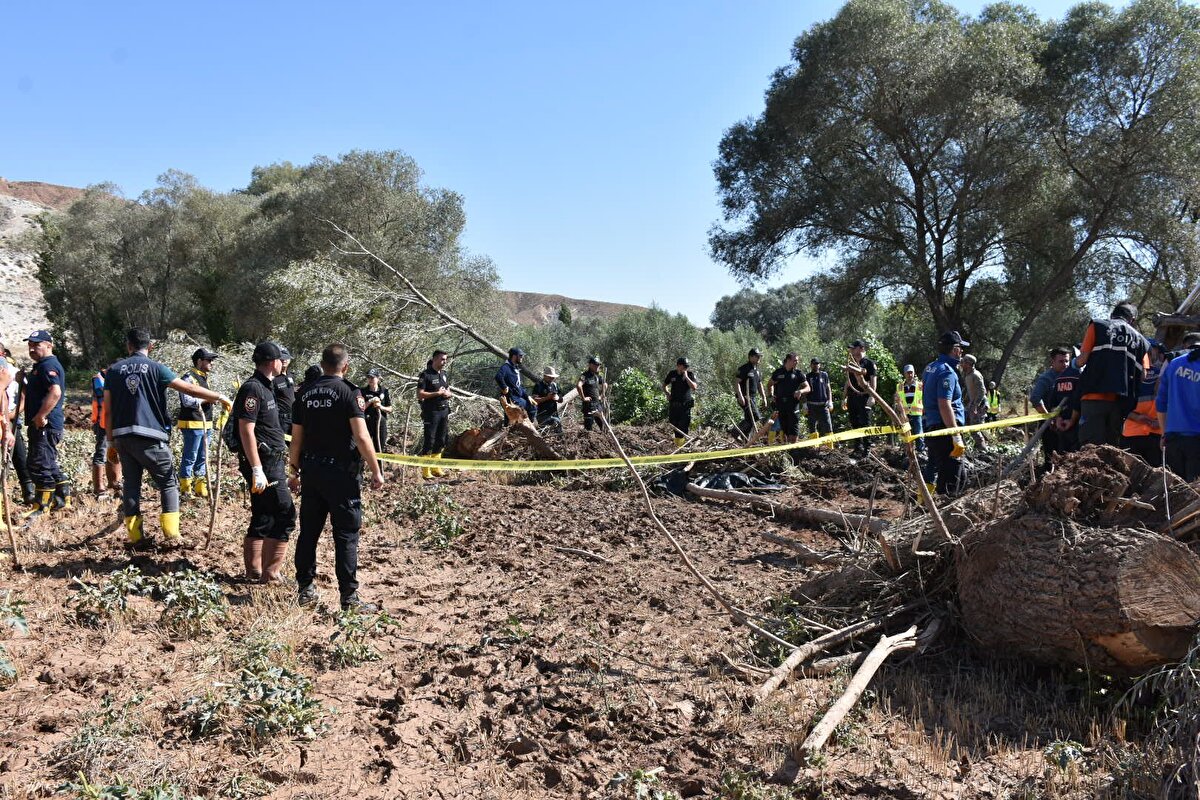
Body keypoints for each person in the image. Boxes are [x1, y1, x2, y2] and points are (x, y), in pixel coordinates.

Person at [106, 328, 231, 547]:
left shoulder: (114, 371)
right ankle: (172, 535)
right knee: (167, 482)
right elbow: (190, 389)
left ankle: (136, 538)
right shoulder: (156, 368)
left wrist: (110, 442)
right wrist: (219, 397)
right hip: (151, 436)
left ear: (128, 346)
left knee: (131, 485)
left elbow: (107, 410)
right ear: (150, 347)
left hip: (123, 437)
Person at [289, 343, 385, 611]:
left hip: (312, 473)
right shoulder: (349, 393)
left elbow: (296, 440)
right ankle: (349, 599)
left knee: (309, 533)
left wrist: (293, 472)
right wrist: (376, 470)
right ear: (346, 366)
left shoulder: (305, 393)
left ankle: (305, 591)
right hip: (342, 476)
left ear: (322, 364)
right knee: (346, 536)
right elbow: (362, 436)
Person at [233, 342, 296, 582]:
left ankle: (255, 572)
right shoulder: (253, 388)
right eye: (281, 359)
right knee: (285, 512)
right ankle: (271, 573)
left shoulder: (267, 387)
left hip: (273, 462)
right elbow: (246, 430)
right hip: (265, 464)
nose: (284, 363)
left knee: (263, 514)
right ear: (272, 362)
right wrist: (258, 469)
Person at [1075, 302, 1150, 447]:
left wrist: (1074, 363)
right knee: (1112, 448)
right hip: (1119, 402)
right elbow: (1144, 376)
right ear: (1132, 319)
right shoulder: (1142, 341)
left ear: (1112, 314)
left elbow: (1082, 360)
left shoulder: (1098, 326)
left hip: (1093, 396)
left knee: (1090, 447)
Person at [22, 330, 69, 519]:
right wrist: (23, 383)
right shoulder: (40, 366)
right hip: (42, 423)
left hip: (45, 424)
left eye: (37, 345)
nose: (32, 349)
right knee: (47, 461)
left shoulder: (48, 365)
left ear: (49, 345)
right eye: (30, 345)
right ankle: (63, 497)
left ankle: (42, 505)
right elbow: (39, 392)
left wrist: (41, 415)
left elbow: (55, 392)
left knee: (38, 464)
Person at [921, 331, 969, 496]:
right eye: (960, 348)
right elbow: (944, 404)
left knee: (939, 469)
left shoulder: (930, 367)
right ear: (955, 349)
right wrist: (955, 434)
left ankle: (933, 505)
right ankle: (949, 514)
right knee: (954, 477)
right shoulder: (947, 371)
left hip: (932, 426)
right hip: (945, 429)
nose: (962, 352)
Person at [1030, 346, 1082, 472]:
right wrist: (1050, 418)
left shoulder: (1074, 375)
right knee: (1051, 455)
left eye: (1067, 361)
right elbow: (1035, 398)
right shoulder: (1046, 378)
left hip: (1069, 422)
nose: (1065, 364)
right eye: (1061, 361)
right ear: (1052, 362)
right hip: (1050, 424)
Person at [176, 348, 219, 499]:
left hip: (206, 424)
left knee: (202, 457)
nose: (211, 363)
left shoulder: (205, 378)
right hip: (192, 424)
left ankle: (200, 488)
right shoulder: (188, 378)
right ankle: (185, 490)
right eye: (209, 360)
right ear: (199, 361)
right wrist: (208, 398)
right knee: (190, 457)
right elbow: (187, 401)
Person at [1156, 332, 1200, 481]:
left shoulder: (1175, 363)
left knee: (1177, 491)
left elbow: (1161, 403)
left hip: (1173, 439)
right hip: (1197, 440)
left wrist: (1164, 433)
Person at [1122, 341, 1166, 467]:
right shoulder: (1164, 375)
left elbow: (1122, 404)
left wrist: (1136, 417)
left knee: (1130, 474)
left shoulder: (1130, 375)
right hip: (1152, 431)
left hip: (1136, 432)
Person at [4, 349, 35, 505]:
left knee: (19, 455)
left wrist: (12, 414)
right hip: (5, 417)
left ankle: (28, 491)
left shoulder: (13, 372)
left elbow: (24, 395)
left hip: (11, 419)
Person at [416, 350, 452, 479]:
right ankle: (426, 470)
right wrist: (437, 394)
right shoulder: (425, 375)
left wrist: (448, 394)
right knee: (429, 440)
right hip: (431, 412)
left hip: (444, 410)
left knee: (441, 439)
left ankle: (436, 467)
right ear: (435, 359)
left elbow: (448, 389)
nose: (444, 362)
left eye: (445, 359)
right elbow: (420, 394)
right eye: (442, 359)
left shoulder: (444, 374)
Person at [768, 353, 810, 460]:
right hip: (781, 406)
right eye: (795, 360)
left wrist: (800, 391)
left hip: (793, 406)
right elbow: (769, 384)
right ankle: (786, 456)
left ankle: (794, 454)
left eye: (797, 360)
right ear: (788, 360)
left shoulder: (798, 374)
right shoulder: (778, 372)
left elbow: (808, 388)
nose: (797, 362)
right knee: (785, 431)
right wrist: (771, 395)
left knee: (794, 431)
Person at [843, 339, 877, 457]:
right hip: (852, 397)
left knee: (865, 422)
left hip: (864, 396)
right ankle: (858, 447)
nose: (851, 350)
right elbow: (848, 382)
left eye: (854, 348)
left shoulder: (869, 363)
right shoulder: (851, 363)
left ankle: (867, 448)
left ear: (861, 348)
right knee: (854, 422)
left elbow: (873, 380)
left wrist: (872, 397)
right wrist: (844, 397)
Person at [90, 367, 120, 499]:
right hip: (102, 423)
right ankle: (99, 488)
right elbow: (103, 393)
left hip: (116, 422)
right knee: (101, 453)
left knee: (115, 452)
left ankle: (115, 482)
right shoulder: (98, 379)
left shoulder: (113, 377)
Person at [663, 358, 699, 446]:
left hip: (685, 406)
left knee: (683, 426)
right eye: (684, 366)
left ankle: (682, 446)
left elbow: (694, 387)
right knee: (674, 424)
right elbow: (664, 385)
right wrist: (667, 393)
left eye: (686, 367)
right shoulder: (672, 374)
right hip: (674, 405)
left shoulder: (690, 374)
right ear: (678, 366)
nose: (685, 368)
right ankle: (677, 445)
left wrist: (686, 377)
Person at [734, 348, 767, 437]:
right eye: (757, 356)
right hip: (745, 397)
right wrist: (740, 396)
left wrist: (764, 398)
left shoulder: (757, 370)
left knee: (749, 418)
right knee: (756, 416)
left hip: (753, 398)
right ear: (750, 357)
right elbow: (737, 382)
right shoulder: (744, 368)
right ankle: (735, 431)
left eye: (760, 356)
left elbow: (760, 384)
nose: (759, 358)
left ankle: (745, 437)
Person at [496, 347, 534, 422]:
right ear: (514, 356)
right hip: (511, 399)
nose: (522, 357)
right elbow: (498, 377)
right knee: (531, 408)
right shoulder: (506, 367)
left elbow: (518, 386)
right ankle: (530, 428)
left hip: (516, 397)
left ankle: (530, 427)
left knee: (532, 406)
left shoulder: (515, 368)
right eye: (520, 356)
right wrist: (504, 387)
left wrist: (527, 396)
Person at [894, 365, 925, 453]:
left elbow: (924, 398)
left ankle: (920, 451)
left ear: (914, 373)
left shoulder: (920, 385)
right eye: (908, 373)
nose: (910, 374)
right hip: (905, 415)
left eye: (911, 372)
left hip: (917, 414)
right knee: (906, 435)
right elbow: (898, 400)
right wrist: (901, 414)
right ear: (904, 374)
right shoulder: (899, 386)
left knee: (919, 434)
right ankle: (908, 452)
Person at [960, 354, 988, 450]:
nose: (962, 364)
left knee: (974, 428)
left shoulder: (975, 375)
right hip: (971, 404)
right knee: (964, 424)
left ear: (969, 364)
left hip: (979, 404)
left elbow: (982, 391)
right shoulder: (967, 374)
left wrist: (975, 405)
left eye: (963, 362)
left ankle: (982, 448)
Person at [361, 368, 392, 453]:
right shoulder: (362, 391)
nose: (370, 379)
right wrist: (370, 401)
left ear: (378, 378)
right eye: (368, 377)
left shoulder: (384, 391)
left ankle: (378, 465)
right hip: (367, 422)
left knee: (379, 448)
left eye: (372, 377)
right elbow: (360, 408)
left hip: (380, 423)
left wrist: (381, 407)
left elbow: (390, 409)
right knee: (363, 447)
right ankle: (361, 466)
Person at [273, 345, 297, 443]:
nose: (284, 360)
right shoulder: (273, 378)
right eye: (282, 358)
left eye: (286, 358)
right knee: (281, 443)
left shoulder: (291, 376)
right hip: (281, 418)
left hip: (294, 416)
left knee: (295, 443)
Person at [805, 358, 834, 437]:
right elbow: (804, 390)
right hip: (811, 405)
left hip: (823, 405)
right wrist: (804, 404)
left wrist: (830, 401)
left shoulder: (824, 375)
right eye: (814, 364)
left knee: (828, 425)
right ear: (811, 365)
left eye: (817, 364)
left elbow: (828, 388)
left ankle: (829, 446)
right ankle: (814, 447)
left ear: (819, 365)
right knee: (812, 426)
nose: (816, 365)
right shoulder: (807, 376)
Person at [577, 355, 607, 431]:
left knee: (603, 426)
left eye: (598, 364)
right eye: (595, 364)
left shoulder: (597, 376)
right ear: (590, 364)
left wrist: (602, 395)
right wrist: (583, 398)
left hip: (597, 404)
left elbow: (605, 384)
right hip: (588, 405)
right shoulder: (585, 376)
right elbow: (578, 386)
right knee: (588, 429)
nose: (597, 366)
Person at [532, 366, 562, 432]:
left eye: (553, 377)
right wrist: (547, 398)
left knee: (558, 431)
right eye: (550, 377)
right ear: (545, 376)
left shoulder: (555, 385)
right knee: (543, 434)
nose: (552, 379)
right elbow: (534, 400)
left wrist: (557, 398)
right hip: (542, 415)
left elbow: (561, 399)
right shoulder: (538, 385)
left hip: (554, 414)